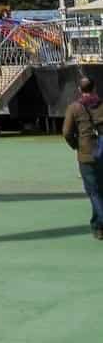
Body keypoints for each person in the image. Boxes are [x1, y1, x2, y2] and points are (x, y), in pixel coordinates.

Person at [62, 74, 103, 238]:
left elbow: (66, 132)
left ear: (79, 90)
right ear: (95, 88)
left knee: (93, 192)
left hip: (86, 154)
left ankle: (100, 222)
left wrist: (76, 146)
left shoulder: (74, 108)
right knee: (101, 190)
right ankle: (98, 226)